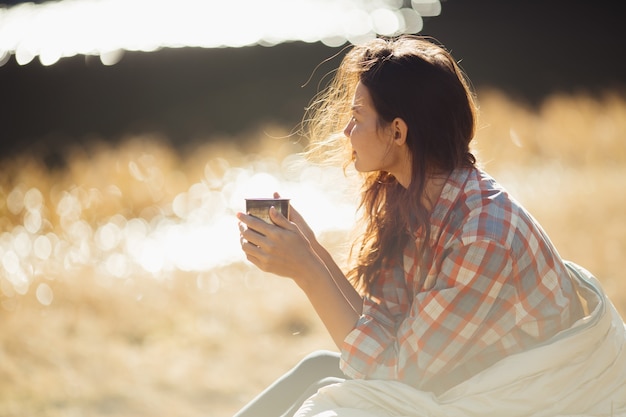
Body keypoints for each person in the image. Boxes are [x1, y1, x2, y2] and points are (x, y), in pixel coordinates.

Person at [235, 35, 626, 417]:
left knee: (330, 397)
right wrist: (311, 249)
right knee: (318, 367)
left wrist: (307, 271)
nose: (346, 132)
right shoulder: (412, 198)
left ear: (398, 132)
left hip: (539, 400)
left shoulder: (482, 234)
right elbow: (383, 327)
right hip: (471, 385)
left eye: (356, 118)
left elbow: (397, 375)